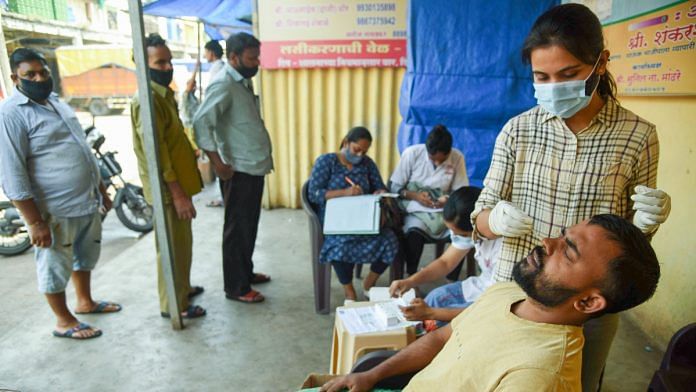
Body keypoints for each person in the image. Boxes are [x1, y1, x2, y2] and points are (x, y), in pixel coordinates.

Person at [470, 4, 672, 390]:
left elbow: (629, 250)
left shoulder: (638, 136)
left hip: (587, 306)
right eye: (541, 77)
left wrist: (645, 226)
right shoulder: (518, 131)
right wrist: (493, 220)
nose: (553, 87)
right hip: (515, 292)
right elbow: (477, 220)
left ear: (600, 64)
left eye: (568, 74)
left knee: (578, 382)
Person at [320, 214, 661, 392]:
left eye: (568, 251)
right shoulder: (507, 293)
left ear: (588, 302)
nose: (547, 241)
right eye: (562, 234)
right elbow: (442, 337)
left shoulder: (540, 377)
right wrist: (373, 375)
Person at [0, 48, 120, 339]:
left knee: (84, 255)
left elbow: (84, 150)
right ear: (16, 78)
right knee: (54, 265)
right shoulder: (11, 114)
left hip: (84, 201)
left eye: (43, 72)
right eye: (31, 74)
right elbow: (12, 173)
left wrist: (101, 189)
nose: (39, 78)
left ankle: (85, 302)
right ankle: (63, 321)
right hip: (53, 209)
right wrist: (35, 222)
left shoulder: (56, 102)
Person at [193, 32, 273, 303]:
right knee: (237, 230)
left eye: (257, 57)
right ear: (234, 57)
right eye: (251, 59)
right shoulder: (224, 84)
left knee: (248, 225)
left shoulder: (241, 82)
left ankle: (245, 272)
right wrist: (218, 164)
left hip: (252, 167)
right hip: (237, 169)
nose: (256, 63)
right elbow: (201, 124)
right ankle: (237, 288)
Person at [131, 34, 206, 319]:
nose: (166, 67)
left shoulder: (162, 95)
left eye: (169, 61)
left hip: (176, 188)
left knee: (181, 245)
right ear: (142, 64)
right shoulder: (147, 100)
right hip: (167, 191)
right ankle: (175, 305)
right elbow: (158, 154)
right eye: (159, 62)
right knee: (172, 249)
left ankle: (181, 289)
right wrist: (177, 194)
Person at [388, 187, 501, 327]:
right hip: (481, 286)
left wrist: (431, 313)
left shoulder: (503, 248)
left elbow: (492, 308)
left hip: (494, 300)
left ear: (477, 225)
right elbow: (446, 262)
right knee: (435, 297)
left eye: (463, 235)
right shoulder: (471, 231)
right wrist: (410, 282)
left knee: (437, 322)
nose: (458, 238)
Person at [308, 127, 399, 301]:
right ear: (346, 142)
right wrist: (344, 192)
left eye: (364, 152)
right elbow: (314, 194)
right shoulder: (327, 162)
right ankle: (348, 289)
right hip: (337, 220)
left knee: (390, 241)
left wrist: (379, 192)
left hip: (364, 218)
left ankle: (369, 283)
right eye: (356, 149)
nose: (359, 155)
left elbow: (379, 186)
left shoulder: (367, 164)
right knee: (340, 246)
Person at [390, 125, 469, 275]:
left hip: (443, 209)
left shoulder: (457, 157)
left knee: (461, 233)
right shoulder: (412, 154)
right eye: (434, 160)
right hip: (416, 209)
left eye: (442, 160)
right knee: (415, 232)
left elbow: (460, 192)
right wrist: (415, 196)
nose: (438, 164)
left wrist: (446, 199)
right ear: (427, 151)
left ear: (449, 152)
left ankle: (451, 279)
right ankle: (411, 274)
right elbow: (394, 187)